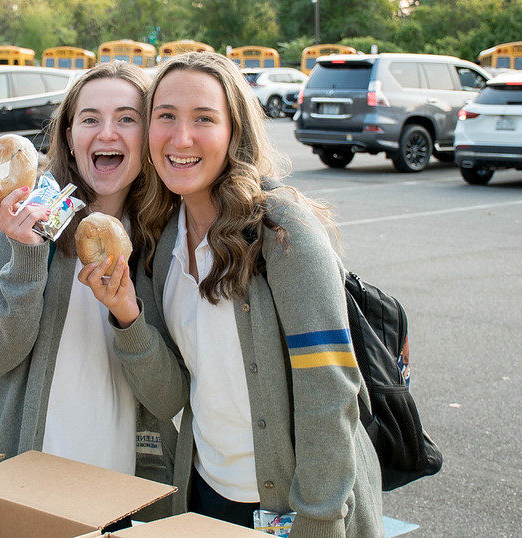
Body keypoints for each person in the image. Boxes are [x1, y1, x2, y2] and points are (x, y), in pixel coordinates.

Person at [84, 52, 384, 535]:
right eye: (166, 116)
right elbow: (169, 396)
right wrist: (127, 316)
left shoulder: (280, 230)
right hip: (204, 496)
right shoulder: (161, 241)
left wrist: (319, 518)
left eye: (204, 118)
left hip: (294, 507)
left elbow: (328, 391)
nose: (181, 138)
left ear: (234, 131)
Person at [0, 61, 176, 493]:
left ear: (150, 136)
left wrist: (128, 316)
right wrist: (27, 257)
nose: (107, 133)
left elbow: (167, 398)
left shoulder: (162, 237)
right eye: (90, 119)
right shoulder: (28, 216)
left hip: (115, 482)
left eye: (127, 119)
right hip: (18, 474)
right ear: (70, 138)